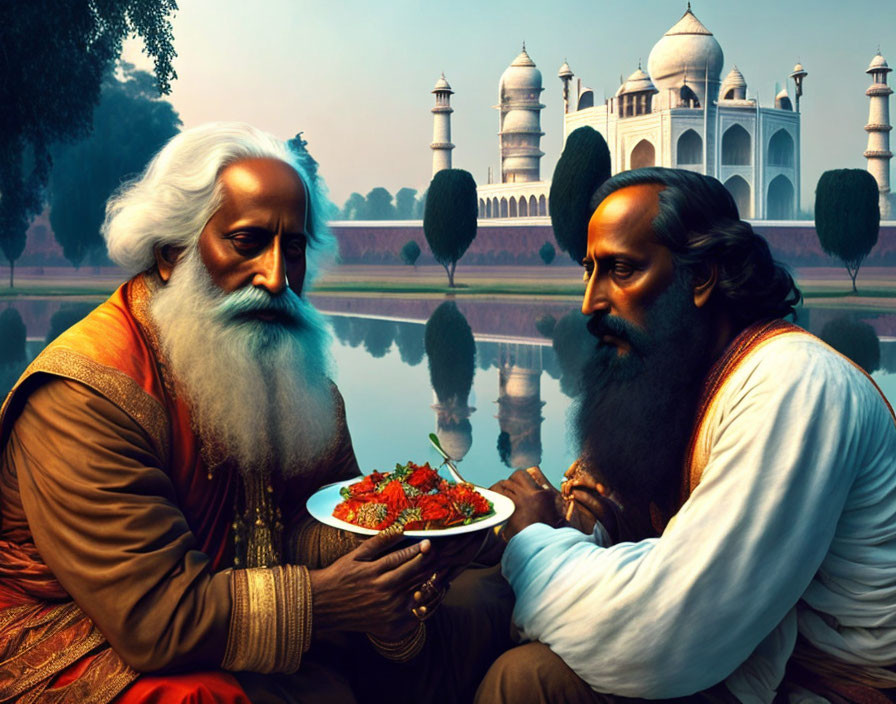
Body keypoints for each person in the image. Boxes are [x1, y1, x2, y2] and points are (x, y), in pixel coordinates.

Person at [0, 123, 509, 704]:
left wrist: (421, 542)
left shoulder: (297, 381)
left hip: (247, 614)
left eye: (292, 249)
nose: (275, 278)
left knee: (462, 607)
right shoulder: (87, 396)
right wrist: (330, 601)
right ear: (172, 254)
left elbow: (320, 525)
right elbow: (156, 617)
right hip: (74, 637)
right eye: (246, 242)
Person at [479, 167, 896, 703]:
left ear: (701, 278)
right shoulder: (680, 379)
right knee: (473, 600)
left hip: (820, 690)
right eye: (590, 271)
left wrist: (534, 538)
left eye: (622, 270)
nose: (590, 302)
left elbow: (664, 634)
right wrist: (578, 522)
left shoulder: (794, 384)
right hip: (736, 665)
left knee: (529, 681)